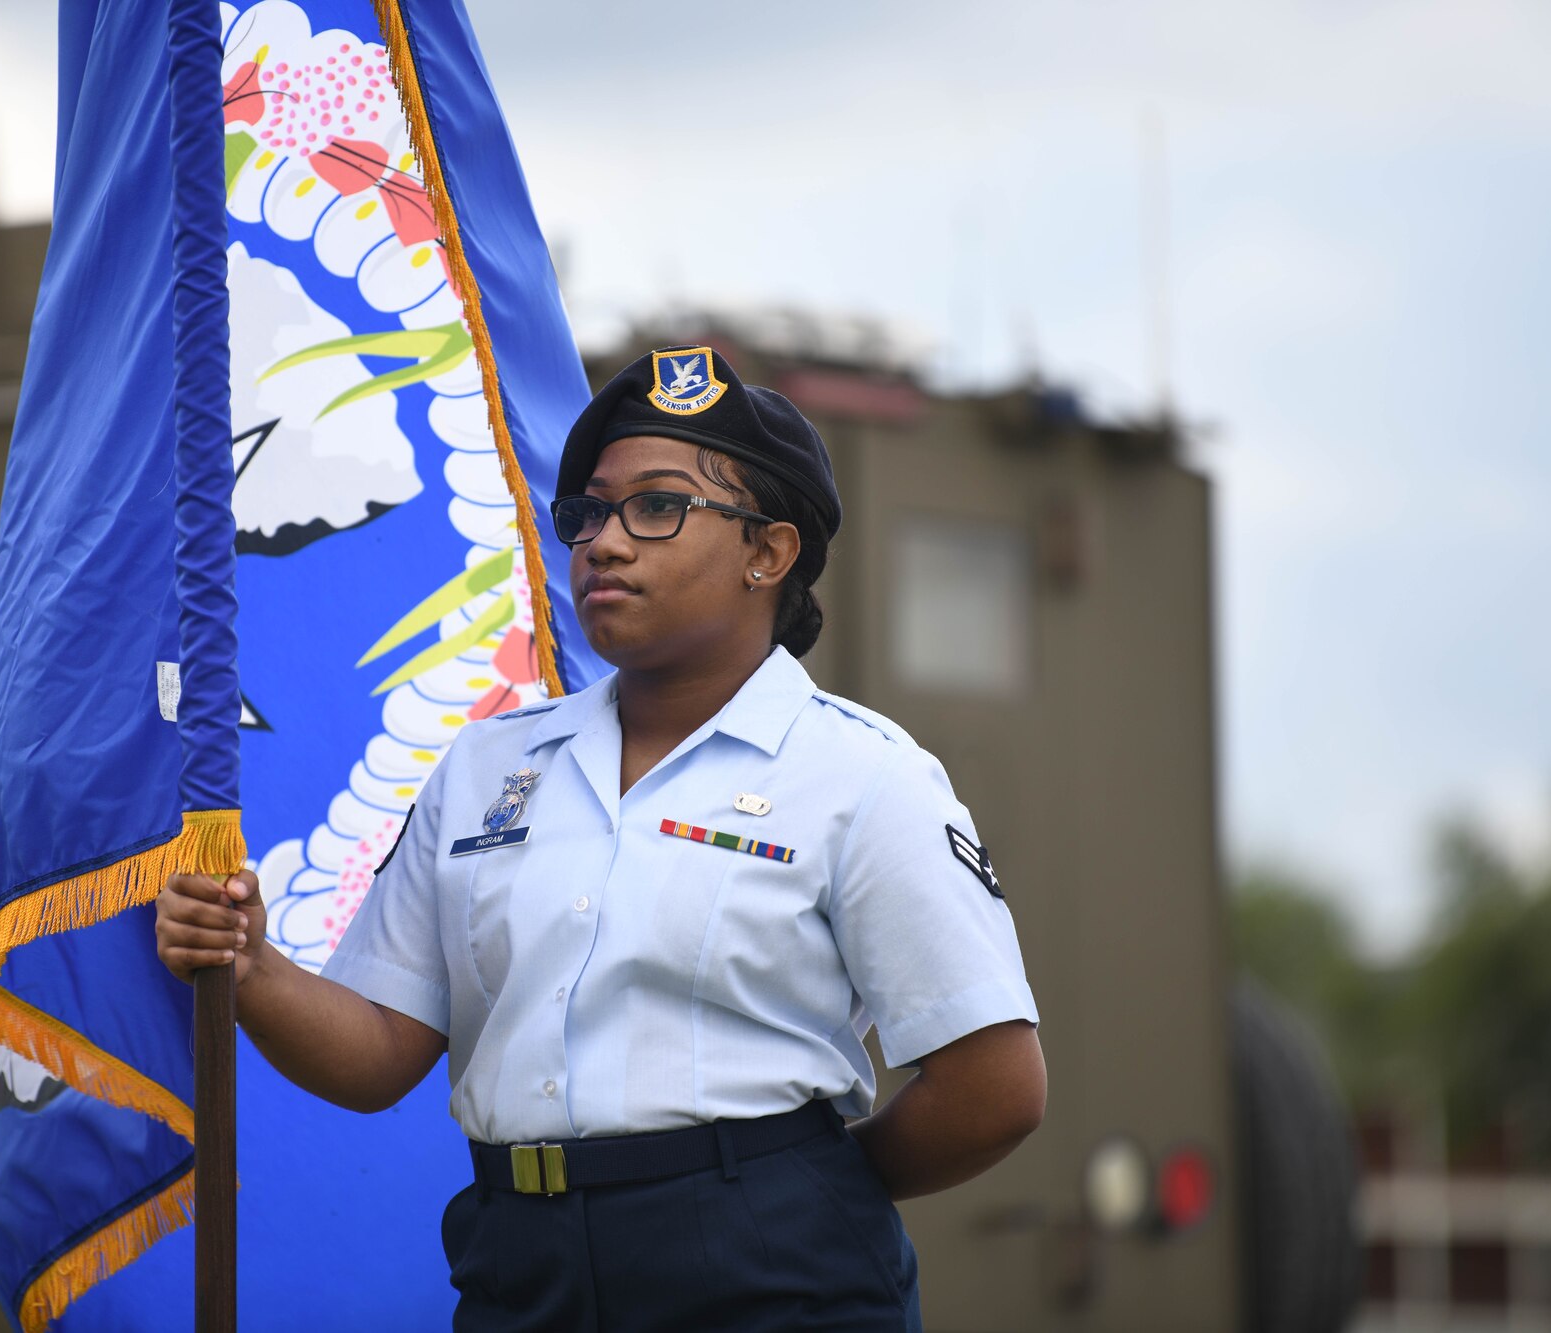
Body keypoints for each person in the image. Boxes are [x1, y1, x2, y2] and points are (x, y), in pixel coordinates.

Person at [157, 345, 1046, 1331]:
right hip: (521, 1268)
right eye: (586, 513)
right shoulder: (486, 769)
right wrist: (251, 965)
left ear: (769, 552)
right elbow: (376, 1055)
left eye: (656, 507)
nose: (603, 543)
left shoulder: (860, 775)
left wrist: (790, 1181)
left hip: (769, 1276)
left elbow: (992, 1085)